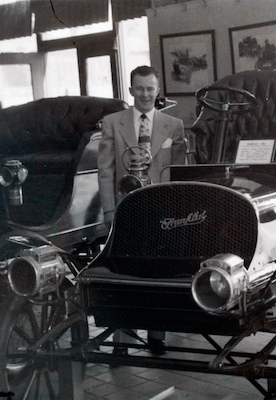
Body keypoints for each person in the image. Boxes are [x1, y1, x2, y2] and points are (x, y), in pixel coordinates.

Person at [97, 65, 186, 356]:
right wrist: (110, 210)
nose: (145, 94)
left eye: (150, 88)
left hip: (163, 211)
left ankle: (156, 335)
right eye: (140, 88)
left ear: (158, 90)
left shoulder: (173, 125)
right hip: (126, 210)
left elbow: (179, 172)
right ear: (131, 90)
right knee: (124, 273)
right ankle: (121, 343)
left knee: (158, 273)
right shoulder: (112, 122)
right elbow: (106, 170)